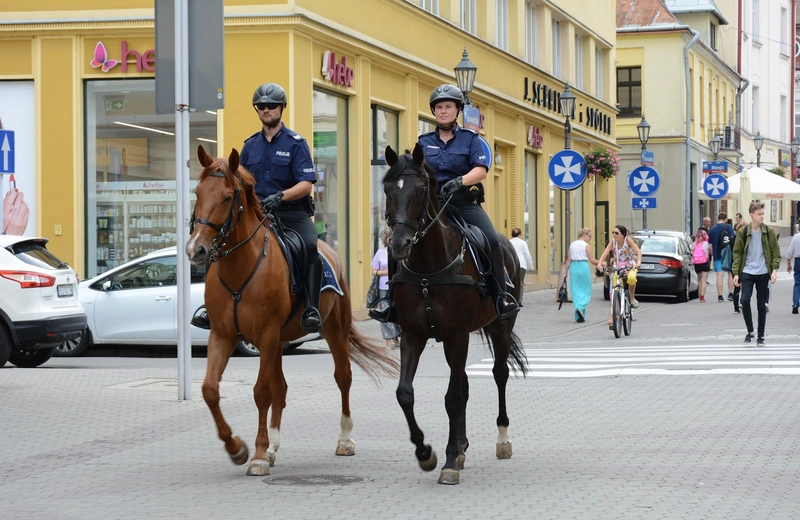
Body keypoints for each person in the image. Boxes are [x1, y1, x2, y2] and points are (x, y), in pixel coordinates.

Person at [370, 83, 520, 322]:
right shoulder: (424, 141)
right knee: (395, 241)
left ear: (457, 110)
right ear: (434, 111)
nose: (443, 111)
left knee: (490, 239)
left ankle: (501, 296)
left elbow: (481, 170)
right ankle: (390, 301)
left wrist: (460, 181)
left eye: (448, 106)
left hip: (462, 203)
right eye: (439, 107)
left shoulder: (470, 140)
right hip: (431, 205)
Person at [192, 83, 323, 332]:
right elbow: (238, 181)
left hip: (291, 212)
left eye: (271, 106)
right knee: (217, 242)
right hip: (257, 213)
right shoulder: (250, 145)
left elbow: (306, 183)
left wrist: (281, 196)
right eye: (261, 106)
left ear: (281, 108)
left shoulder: (296, 143)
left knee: (308, 244)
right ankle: (209, 308)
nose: (266, 110)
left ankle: (311, 308)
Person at [732, 202, 781, 346]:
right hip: (747, 271)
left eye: (763, 214)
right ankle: (750, 330)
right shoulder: (743, 232)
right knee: (745, 301)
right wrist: (736, 273)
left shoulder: (768, 231)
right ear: (752, 214)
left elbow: (775, 252)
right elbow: (738, 253)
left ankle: (761, 336)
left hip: (763, 271)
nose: (762, 216)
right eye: (759, 214)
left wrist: (774, 270)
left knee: (761, 304)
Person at [597, 225, 642, 329]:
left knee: (631, 278)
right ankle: (613, 315)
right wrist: (599, 264)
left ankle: (631, 297)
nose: (614, 235)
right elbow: (605, 253)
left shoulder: (628, 240)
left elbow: (638, 251)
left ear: (623, 234)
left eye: (616, 233)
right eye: (613, 232)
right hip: (617, 267)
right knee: (614, 289)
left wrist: (638, 263)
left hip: (629, 265)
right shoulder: (613, 242)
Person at [370, 228, 401, 347]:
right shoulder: (380, 253)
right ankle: (388, 341)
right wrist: (386, 272)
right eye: (389, 237)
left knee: (399, 311)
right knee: (385, 312)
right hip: (384, 286)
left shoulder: (399, 252)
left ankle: (397, 337)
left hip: (397, 285)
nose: (391, 239)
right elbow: (374, 271)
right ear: (385, 239)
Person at [565, 228, 599, 323]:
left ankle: (579, 315)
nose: (590, 238)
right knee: (586, 290)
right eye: (590, 236)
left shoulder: (572, 244)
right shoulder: (586, 246)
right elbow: (592, 260)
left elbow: (568, 260)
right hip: (583, 266)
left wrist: (565, 272)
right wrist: (601, 263)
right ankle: (580, 307)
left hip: (574, 267)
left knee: (575, 290)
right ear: (584, 235)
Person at [707, 212, 735, 302]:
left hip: (717, 254)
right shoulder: (728, 227)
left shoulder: (712, 230)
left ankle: (720, 296)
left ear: (717, 218)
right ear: (725, 219)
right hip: (727, 253)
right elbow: (732, 239)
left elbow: (710, 245)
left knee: (719, 275)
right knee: (730, 273)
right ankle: (730, 294)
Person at [509, 227, 533, 303]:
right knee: (520, 283)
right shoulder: (523, 243)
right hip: (521, 264)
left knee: (511, 282)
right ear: (520, 234)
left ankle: (511, 299)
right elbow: (527, 255)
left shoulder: (509, 242)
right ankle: (519, 300)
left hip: (511, 264)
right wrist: (530, 266)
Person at [692, 228, 712, 302]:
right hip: (705, 263)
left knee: (699, 279)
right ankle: (702, 297)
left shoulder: (693, 244)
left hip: (697, 263)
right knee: (704, 280)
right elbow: (710, 253)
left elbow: (692, 253)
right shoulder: (706, 244)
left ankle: (699, 293)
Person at [786, 223, 800, 315]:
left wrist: (788, 264)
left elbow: (790, 251)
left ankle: (795, 304)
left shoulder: (795, 237)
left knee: (797, 283)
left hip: (798, 261)